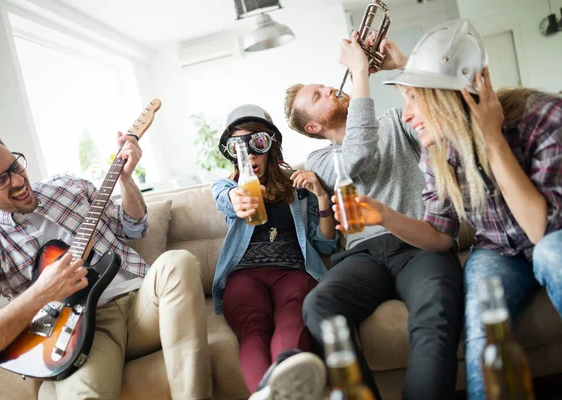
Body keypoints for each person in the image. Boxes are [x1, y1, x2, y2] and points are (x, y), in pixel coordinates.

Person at [330, 18, 561, 400]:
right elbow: (439, 236)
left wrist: (492, 141)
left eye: (414, 100)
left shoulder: (543, 119)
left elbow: (541, 233)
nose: (405, 115)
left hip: (551, 239)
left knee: (554, 253)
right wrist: (384, 215)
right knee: (481, 325)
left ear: (450, 98)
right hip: (500, 252)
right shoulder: (440, 150)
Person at [0, 129, 212, 400]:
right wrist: (41, 292)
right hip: (81, 332)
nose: (18, 180)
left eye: (15, 165)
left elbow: (134, 227)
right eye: (0, 179)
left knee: (178, 262)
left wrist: (126, 180)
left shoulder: (68, 187)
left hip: (144, 303)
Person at [283, 31, 465, 400]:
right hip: (362, 256)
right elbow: (357, 157)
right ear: (313, 128)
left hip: (418, 242)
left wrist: (402, 66)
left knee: (438, 311)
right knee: (318, 304)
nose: (330, 89)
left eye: (324, 85)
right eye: (318, 96)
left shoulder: (397, 121)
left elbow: (446, 111)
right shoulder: (320, 160)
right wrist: (362, 75)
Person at [212, 104, 337, 399]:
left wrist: (321, 196)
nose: (250, 154)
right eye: (239, 147)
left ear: (271, 146)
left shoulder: (298, 186)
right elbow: (225, 198)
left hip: (293, 272)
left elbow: (325, 244)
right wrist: (238, 195)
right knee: (252, 331)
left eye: (257, 143)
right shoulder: (228, 186)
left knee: (292, 320)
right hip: (244, 276)